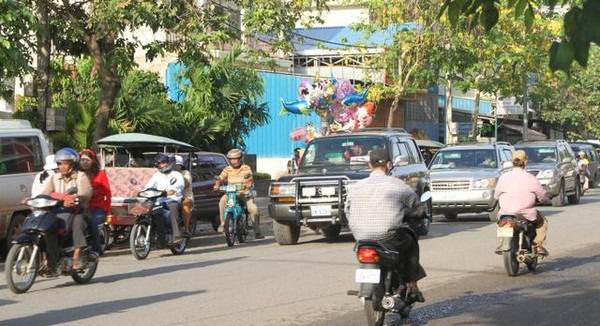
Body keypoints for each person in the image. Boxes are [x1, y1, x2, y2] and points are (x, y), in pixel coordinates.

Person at [344, 149, 426, 302]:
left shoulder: (356, 187)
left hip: (361, 237)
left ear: (370, 165)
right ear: (388, 165)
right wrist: (419, 213)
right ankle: (412, 283)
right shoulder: (398, 185)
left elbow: (347, 210)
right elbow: (417, 206)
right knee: (411, 240)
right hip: (388, 237)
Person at [41, 148, 95, 273]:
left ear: (73, 164)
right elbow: (45, 193)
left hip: (79, 210)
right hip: (58, 211)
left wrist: (76, 198)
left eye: (65, 163)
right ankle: (47, 256)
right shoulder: (54, 178)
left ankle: (76, 255)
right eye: (59, 164)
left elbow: (86, 194)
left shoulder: (81, 176)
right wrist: (34, 199)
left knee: (77, 223)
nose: (62, 167)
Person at [494, 150, 550, 256]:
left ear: (512, 162)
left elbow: (496, 195)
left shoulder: (503, 177)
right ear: (525, 162)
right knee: (542, 221)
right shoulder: (531, 178)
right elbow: (542, 196)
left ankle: (502, 242)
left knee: (501, 224)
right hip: (526, 213)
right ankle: (538, 246)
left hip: (505, 213)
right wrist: (546, 200)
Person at [214, 148, 263, 239]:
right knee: (222, 202)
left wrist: (248, 183)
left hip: (245, 194)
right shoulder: (227, 169)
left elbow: (249, 177)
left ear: (241, 158)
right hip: (230, 194)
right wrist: (217, 185)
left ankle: (257, 231)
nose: (234, 161)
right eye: (232, 159)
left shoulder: (246, 168)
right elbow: (220, 178)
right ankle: (223, 223)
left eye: (236, 158)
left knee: (253, 209)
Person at [144, 153, 185, 244]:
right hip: (159, 200)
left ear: (168, 163)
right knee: (155, 213)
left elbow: (180, 185)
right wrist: (142, 192)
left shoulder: (176, 175)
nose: (160, 165)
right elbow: (149, 186)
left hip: (172, 199)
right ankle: (160, 238)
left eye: (162, 163)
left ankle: (177, 236)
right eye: (159, 163)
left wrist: (173, 190)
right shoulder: (157, 175)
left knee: (173, 209)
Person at [79, 149, 111, 255]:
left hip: (97, 206)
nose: (84, 162)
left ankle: (97, 250)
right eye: (82, 160)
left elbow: (107, 192)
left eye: (87, 160)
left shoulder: (100, 174)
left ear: (93, 161)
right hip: (81, 206)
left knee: (92, 222)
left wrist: (107, 210)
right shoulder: (77, 174)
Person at [174, 155, 194, 237]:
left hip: (185, 196)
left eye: (176, 165)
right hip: (169, 196)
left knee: (185, 205)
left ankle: (186, 229)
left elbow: (186, 185)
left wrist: (178, 176)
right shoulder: (167, 173)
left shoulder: (185, 173)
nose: (175, 167)